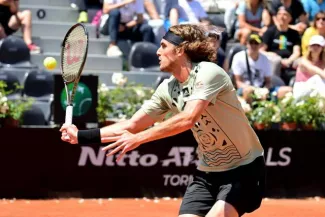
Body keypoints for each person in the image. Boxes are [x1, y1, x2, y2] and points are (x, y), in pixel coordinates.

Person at [61, 24, 265, 217]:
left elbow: (188, 118)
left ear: (180, 50)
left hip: (244, 168)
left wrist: (139, 138)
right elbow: (132, 125)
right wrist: (80, 136)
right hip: (207, 173)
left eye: (163, 46)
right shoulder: (167, 89)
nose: (157, 52)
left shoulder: (209, 72)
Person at [232, 33, 292, 102]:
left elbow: (268, 81)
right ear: (247, 43)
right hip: (245, 89)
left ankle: (277, 112)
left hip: (261, 89)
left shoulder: (265, 59)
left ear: (260, 45)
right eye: (251, 43)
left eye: (256, 43)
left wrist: (265, 89)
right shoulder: (239, 57)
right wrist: (253, 89)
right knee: (249, 91)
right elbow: (238, 82)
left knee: (288, 91)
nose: (253, 45)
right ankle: (249, 111)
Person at [261, 6, 301, 77]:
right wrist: (271, 55)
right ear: (276, 17)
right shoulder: (270, 31)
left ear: (290, 18)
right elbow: (261, 50)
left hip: (289, 59)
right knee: (276, 61)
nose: (282, 17)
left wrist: (289, 60)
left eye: (285, 14)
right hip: (273, 60)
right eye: (279, 14)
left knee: (302, 62)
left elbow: (296, 52)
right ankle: (273, 83)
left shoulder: (294, 33)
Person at [294, 35, 325, 99]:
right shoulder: (303, 60)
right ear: (309, 47)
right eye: (313, 45)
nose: (315, 47)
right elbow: (314, 70)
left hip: (316, 91)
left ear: (322, 48)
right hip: (301, 89)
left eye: (318, 45)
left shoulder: (323, 62)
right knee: (317, 78)